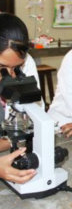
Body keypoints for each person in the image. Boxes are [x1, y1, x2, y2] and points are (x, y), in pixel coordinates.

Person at [0, 13, 40, 183]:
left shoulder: (25, 61)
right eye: (2, 68)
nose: (10, 76)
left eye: (16, 68)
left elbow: (34, 117)